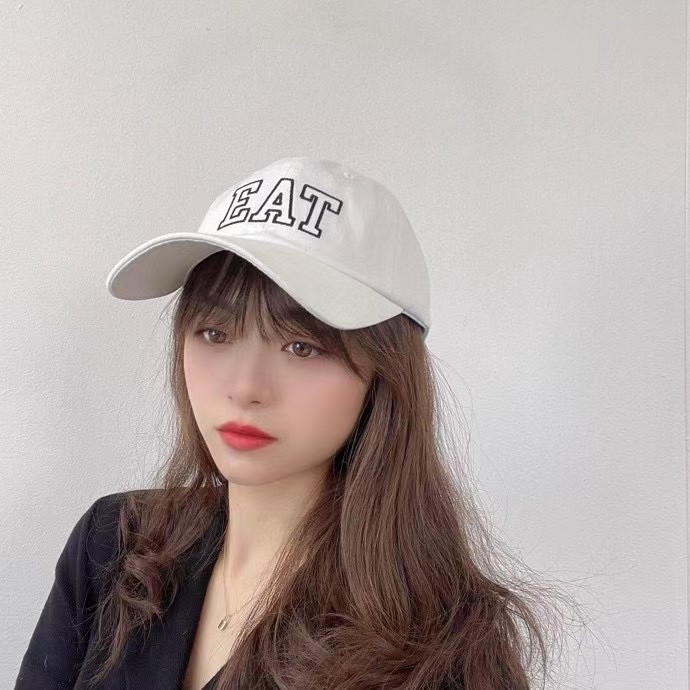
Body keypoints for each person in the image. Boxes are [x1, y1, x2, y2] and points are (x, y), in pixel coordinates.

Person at [14, 157, 576, 689]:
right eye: (215, 333)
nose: (246, 387)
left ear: (382, 375)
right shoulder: (114, 545)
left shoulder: (447, 644)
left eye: (302, 346)